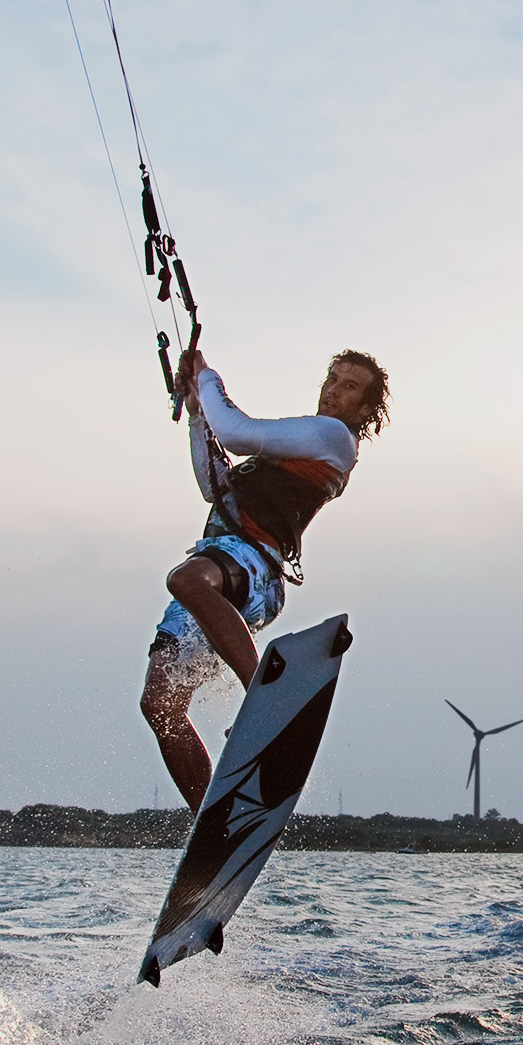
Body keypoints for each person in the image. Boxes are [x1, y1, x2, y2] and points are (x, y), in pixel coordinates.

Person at [140, 346, 389, 812]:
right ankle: (214, 822)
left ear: (363, 410)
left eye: (349, 386)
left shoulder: (334, 438)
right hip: (221, 567)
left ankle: (267, 702)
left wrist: (206, 376)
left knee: (185, 580)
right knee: (159, 705)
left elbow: (236, 433)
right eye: (332, 379)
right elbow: (215, 486)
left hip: (254, 568)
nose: (334, 390)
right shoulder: (292, 449)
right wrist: (197, 413)